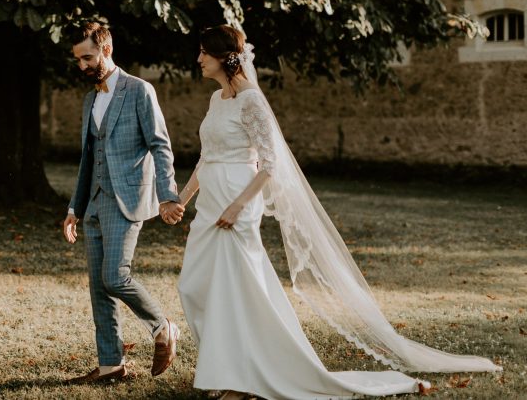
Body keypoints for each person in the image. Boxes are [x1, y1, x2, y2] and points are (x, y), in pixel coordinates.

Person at [173, 25, 501, 400]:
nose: (198, 59)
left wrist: (238, 206)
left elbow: (269, 164)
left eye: (203, 53)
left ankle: (240, 379)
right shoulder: (217, 100)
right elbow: (206, 156)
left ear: (224, 58)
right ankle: (233, 370)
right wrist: (183, 198)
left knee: (239, 292)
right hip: (210, 201)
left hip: (237, 202)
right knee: (196, 286)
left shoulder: (252, 101)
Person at [62, 21, 185, 383]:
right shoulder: (90, 98)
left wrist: (167, 195)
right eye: (78, 60)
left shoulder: (139, 90)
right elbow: (88, 157)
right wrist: (74, 208)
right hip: (94, 205)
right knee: (98, 287)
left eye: (88, 58)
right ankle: (110, 366)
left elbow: (160, 145)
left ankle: (163, 328)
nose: (83, 66)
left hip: (127, 199)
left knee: (115, 277)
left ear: (107, 49)